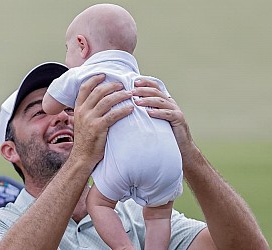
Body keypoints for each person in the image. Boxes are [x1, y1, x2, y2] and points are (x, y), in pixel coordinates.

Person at [0, 61, 269, 249]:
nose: (63, 116)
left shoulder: (138, 216)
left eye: (73, 109)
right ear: (10, 150)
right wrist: (83, 158)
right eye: (39, 111)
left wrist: (188, 154)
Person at [42, 4, 182, 249]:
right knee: (159, 213)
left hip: (127, 161)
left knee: (98, 203)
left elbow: (49, 105)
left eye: (68, 50)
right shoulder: (148, 82)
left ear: (82, 45)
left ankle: (124, 247)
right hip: (169, 159)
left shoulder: (83, 74)